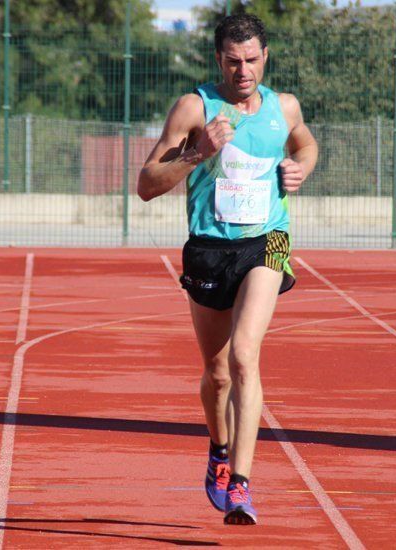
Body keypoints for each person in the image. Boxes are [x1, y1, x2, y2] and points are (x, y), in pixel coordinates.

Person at [137, 13, 318, 525]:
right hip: (209, 249)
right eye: (234, 62)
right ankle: (218, 451)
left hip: (268, 241)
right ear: (219, 59)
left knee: (244, 355)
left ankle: (240, 483)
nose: (244, 71)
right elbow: (147, 184)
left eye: (253, 60)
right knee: (217, 376)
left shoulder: (284, 107)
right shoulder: (195, 107)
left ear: (266, 57)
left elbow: (304, 141)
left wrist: (301, 166)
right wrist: (197, 152)